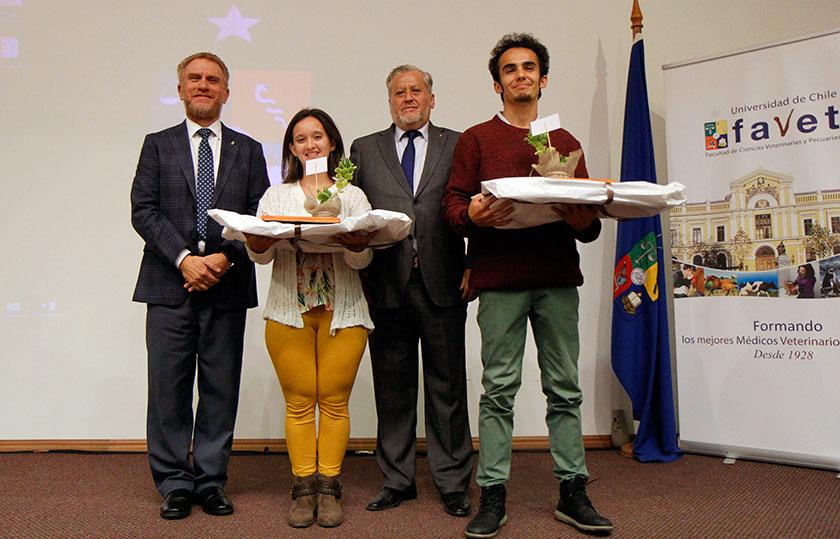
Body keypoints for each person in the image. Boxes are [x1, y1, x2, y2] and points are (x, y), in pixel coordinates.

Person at [442, 33, 613, 537]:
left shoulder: (565, 143)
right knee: (498, 391)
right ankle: (492, 494)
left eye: (530, 67)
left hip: (556, 280)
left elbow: (591, 227)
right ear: (497, 83)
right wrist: (471, 212)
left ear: (543, 79)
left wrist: (578, 216)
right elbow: (452, 208)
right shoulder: (475, 139)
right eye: (511, 69)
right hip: (499, 282)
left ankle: (572, 492)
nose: (521, 75)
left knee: (565, 389)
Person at [131, 52, 269, 520]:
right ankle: (173, 483)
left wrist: (220, 260)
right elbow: (143, 210)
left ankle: (210, 481)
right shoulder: (157, 144)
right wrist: (186, 259)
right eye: (195, 78)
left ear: (226, 92)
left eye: (213, 80)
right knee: (167, 389)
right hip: (168, 285)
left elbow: (258, 218)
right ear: (181, 89)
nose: (204, 85)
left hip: (227, 285)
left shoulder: (248, 150)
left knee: (219, 388)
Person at [350, 65, 473, 517]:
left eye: (416, 90)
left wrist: (475, 263)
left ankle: (453, 481)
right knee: (393, 389)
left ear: (431, 98)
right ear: (389, 102)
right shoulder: (365, 149)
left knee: (447, 387)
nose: (407, 98)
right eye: (398, 92)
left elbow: (477, 207)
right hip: (385, 285)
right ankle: (398, 479)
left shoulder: (459, 144)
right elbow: (353, 215)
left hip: (443, 282)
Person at [244, 108, 374, 528]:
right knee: (300, 403)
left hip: (344, 311)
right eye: (300, 139)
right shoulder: (276, 196)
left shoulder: (351, 195)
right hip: (289, 312)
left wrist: (356, 243)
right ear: (292, 149)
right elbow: (260, 257)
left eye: (317, 136)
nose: (310, 144)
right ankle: (303, 488)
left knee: (334, 402)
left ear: (332, 143)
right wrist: (256, 242)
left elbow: (361, 260)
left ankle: (330, 486)